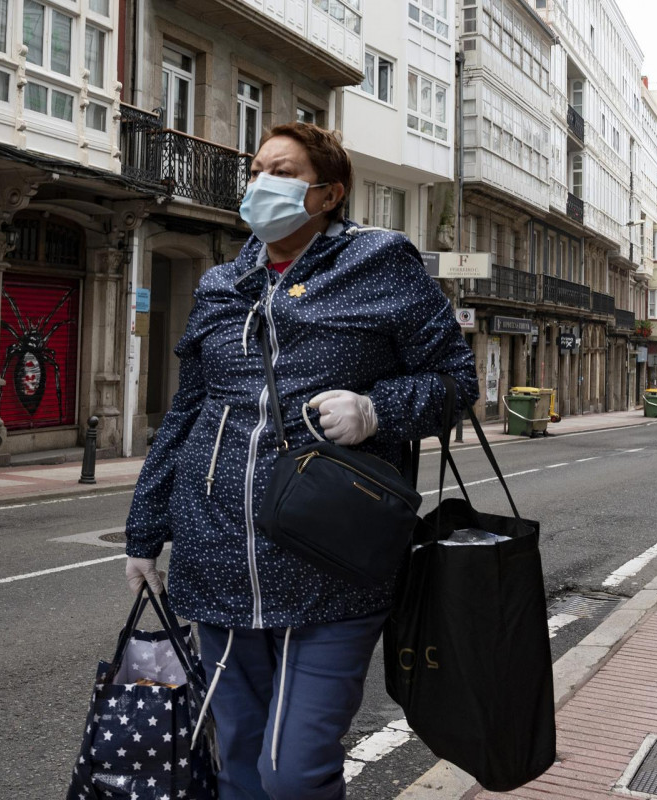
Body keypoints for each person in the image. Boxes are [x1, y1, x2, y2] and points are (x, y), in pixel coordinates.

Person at [122, 122, 477, 800]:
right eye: (255, 170)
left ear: (327, 193)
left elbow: (456, 380)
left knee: (293, 776)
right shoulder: (224, 283)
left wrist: (377, 411)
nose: (259, 183)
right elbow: (187, 412)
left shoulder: (380, 261)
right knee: (240, 767)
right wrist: (144, 533)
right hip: (215, 561)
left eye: (279, 171)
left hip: (334, 568)